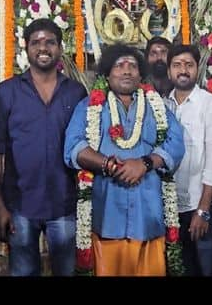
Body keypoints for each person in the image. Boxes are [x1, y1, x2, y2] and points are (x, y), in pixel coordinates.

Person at [64, 44, 185, 276]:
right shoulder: (90, 106)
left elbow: (176, 143)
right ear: (107, 74)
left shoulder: (156, 105)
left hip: (148, 215)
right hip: (107, 217)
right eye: (119, 66)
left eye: (132, 66)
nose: (127, 71)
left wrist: (145, 163)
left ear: (141, 74)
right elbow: (73, 146)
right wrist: (108, 165)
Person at [0, 18, 88, 276]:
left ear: (60, 48)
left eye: (50, 42)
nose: (43, 48)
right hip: (19, 204)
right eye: (36, 42)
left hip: (64, 204)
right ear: (26, 48)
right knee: (22, 272)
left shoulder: (75, 92)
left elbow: (84, 146)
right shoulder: (6, 92)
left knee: (67, 272)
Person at [164, 44, 212, 276]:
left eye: (189, 65)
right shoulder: (161, 105)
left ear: (197, 69)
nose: (183, 70)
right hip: (170, 209)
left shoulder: (211, 104)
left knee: (206, 269)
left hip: (200, 205)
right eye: (177, 65)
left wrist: (203, 210)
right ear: (169, 71)